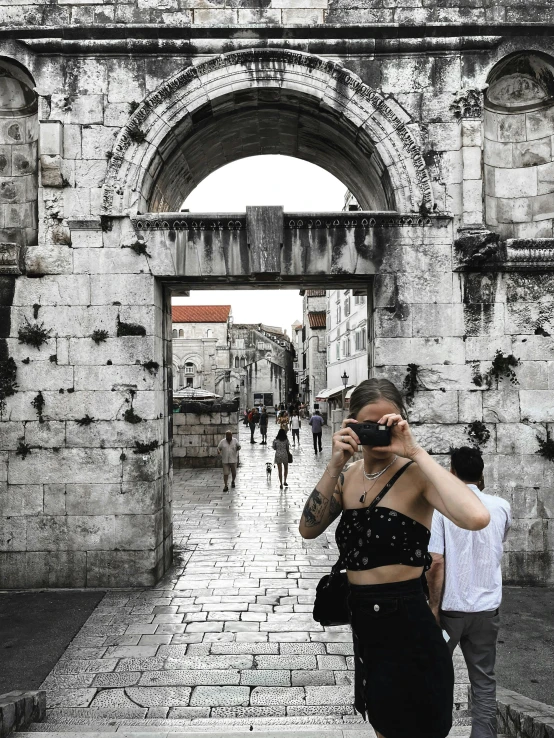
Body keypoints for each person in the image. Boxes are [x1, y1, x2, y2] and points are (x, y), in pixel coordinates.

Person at [298, 378, 491, 738]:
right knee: (383, 725)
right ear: (351, 424)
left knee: (417, 726)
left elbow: (476, 517)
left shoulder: (417, 476)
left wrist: (416, 451)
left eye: (390, 423)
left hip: (408, 621)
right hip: (365, 624)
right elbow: (308, 528)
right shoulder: (348, 477)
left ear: (404, 421)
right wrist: (335, 463)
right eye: (370, 425)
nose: (380, 433)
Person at [427, 446, 511, 738]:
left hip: (452, 609)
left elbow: (436, 561)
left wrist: (434, 608)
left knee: (435, 675)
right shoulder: (501, 506)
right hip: (487, 610)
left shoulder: (442, 509)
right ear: (481, 474)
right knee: (484, 681)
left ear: (451, 473)